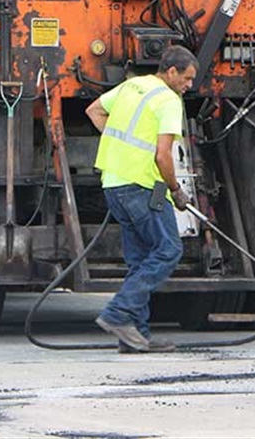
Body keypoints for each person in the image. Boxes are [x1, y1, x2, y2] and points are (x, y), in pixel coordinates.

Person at [86, 46, 197, 353]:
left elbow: (93, 110)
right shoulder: (169, 101)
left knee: (139, 259)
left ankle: (134, 336)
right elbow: (163, 155)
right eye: (187, 78)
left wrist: (120, 147)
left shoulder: (131, 85)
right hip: (144, 186)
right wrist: (176, 189)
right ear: (171, 72)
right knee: (168, 249)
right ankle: (118, 313)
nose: (190, 85)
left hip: (113, 183)